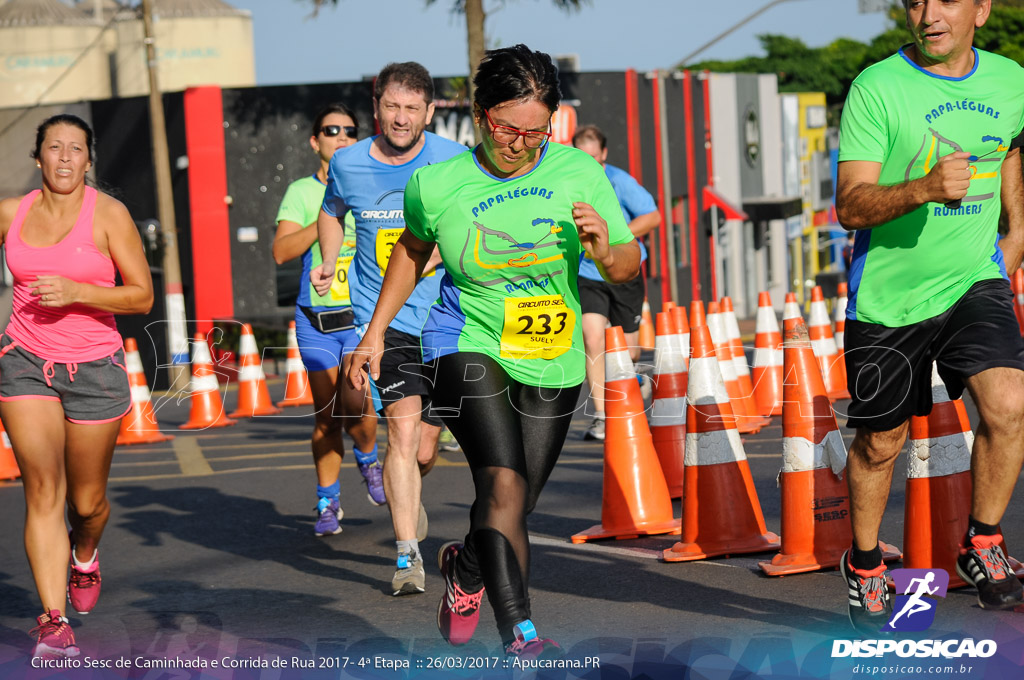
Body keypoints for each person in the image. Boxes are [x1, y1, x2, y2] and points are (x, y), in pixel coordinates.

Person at [347, 44, 639, 657]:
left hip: (552, 353)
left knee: (516, 501)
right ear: (480, 115)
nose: (521, 144)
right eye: (508, 128)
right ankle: (521, 636)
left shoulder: (579, 174)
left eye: (537, 132)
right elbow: (411, 249)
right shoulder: (438, 181)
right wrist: (375, 331)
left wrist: (604, 250)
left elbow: (626, 263)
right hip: (464, 338)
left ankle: (467, 569)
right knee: (502, 484)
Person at [835, 0, 1024, 635]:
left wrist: (1016, 231)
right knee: (880, 442)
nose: (928, 13)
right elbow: (850, 207)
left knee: (1010, 405)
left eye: (945, 0)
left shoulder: (1010, 80)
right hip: (888, 300)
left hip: (974, 278)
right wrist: (921, 188)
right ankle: (864, 565)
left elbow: (1010, 149)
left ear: (981, 9)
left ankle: (982, 541)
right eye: (916, 1)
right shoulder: (877, 87)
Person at [0, 114, 154, 656]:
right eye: (54, 147)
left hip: (93, 369)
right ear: (36, 156)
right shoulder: (9, 214)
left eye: (76, 149)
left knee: (85, 504)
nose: (65, 158)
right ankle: (52, 621)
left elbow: (140, 296)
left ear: (89, 160)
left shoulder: (109, 215)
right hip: (22, 361)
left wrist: (78, 292)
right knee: (42, 489)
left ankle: (84, 556)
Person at [313, 63, 465, 595]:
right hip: (383, 322)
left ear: (428, 112)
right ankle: (408, 557)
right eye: (392, 107)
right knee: (400, 433)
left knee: (423, 449)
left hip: (447, 318)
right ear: (377, 107)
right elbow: (331, 212)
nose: (401, 118)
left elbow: (472, 222)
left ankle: (414, 486)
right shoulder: (348, 163)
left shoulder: (452, 160)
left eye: (412, 109)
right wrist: (329, 258)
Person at [272, 104, 383, 537]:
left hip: (361, 320)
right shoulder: (302, 191)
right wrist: (327, 216)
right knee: (327, 418)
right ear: (315, 141)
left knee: (359, 409)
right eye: (330, 130)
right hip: (316, 319)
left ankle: (369, 457)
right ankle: (328, 500)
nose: (341, 136)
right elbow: (282, 252)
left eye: (350, 131)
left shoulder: (371, 188)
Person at [571, 124, 659, 440]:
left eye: (594, 157)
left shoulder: (620, 181)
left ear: (604, 154)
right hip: (587, 273)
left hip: (623, 270)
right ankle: (602, 415)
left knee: (628, 351)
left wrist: (614, 239)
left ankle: (633, 378)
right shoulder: (568, 183)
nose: (589, 163)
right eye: (583, 157)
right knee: (592, 337)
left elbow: (653, 217)